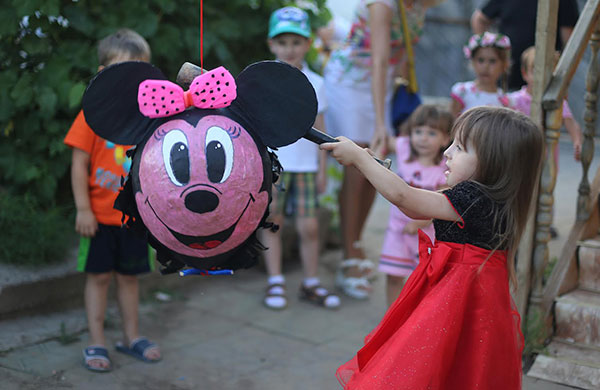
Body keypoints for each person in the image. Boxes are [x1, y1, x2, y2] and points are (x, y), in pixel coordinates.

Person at [321, 106, 544, 389]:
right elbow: (418, 200)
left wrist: (360, 161)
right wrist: (372, 164)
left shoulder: (473, 198)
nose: (447, 152)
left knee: (422, 367)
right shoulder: (491, 199)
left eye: (460, 147)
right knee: (458, 369)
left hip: (456, 299)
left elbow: (406, 198)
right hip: (463, 297)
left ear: (493, 162)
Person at [323, 0, 442, 300]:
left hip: (382, 87)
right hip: (351, 84)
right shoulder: (383, 3)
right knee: (358, 165)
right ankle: (349, 259)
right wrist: (381, 122)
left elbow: (400, 57)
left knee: (372, 169)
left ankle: (357, 242)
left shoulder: (421, 6)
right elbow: (378, 58)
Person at [64, 28, 161, 372]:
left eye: (139, 72)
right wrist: (83, 209)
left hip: (134, 219)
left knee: (131, 278)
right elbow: (79, 165)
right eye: (123, 71)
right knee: (99, 278)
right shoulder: (93, 114)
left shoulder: (149, 115)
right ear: (104, 73)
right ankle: (96, 341)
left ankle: (131, 337)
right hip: (99, 218)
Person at [259, 6, 340, 310]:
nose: (289, 49)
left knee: (310, 227)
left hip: (307, 166)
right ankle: (275, 281)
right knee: (272, 221)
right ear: (272, 44)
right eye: (283, 42)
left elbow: (322, 132)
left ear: (307, 44)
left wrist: (322, 170)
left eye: (296, 42)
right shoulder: (264, 80)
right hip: (275, 167)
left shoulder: (317, 83)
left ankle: (311, 281)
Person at [379, 104, 451, 307]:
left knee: (421, 279)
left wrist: (420, 223)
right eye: (418, 131)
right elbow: (384, 141)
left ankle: (413, 319)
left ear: (445, 139)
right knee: (393, 275)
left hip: (426, 235)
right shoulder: (404, 151)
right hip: (398, 229)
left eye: (431, 133)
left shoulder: (444, 170)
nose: (423, 138)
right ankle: (390, 316)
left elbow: (443, 204)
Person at [471, 0, 579, 91]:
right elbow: (479, 19)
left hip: (540, 79)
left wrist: (559, 72)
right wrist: (486, 49)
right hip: (506, 77)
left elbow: (569, 41)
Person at [508, 46, 582, 161]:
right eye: (536, 71)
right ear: (525, 73)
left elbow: (570, 121)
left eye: (547, 72)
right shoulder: (515, 100)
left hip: (547, 159)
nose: (541, 77)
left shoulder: (556, 101)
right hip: (520, 154)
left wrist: (577, 141)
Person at [450, 31, 511, 118]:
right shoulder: (462, 91)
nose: (486, 67)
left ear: (504, 64)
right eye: (481, 60)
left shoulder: (504, 100)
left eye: (492, 61)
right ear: (473, 62)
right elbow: (451, 123)